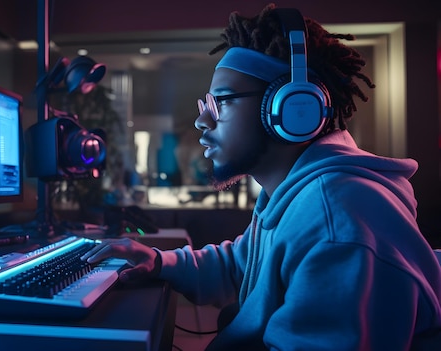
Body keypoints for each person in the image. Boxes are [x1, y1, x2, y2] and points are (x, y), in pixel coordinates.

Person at [81, 3, 441, 350]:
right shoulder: (297, 196)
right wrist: (159, 261)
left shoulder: (338, 221)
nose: (202, 121)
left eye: (221, 102)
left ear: (292, 107)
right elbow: (239, 264)